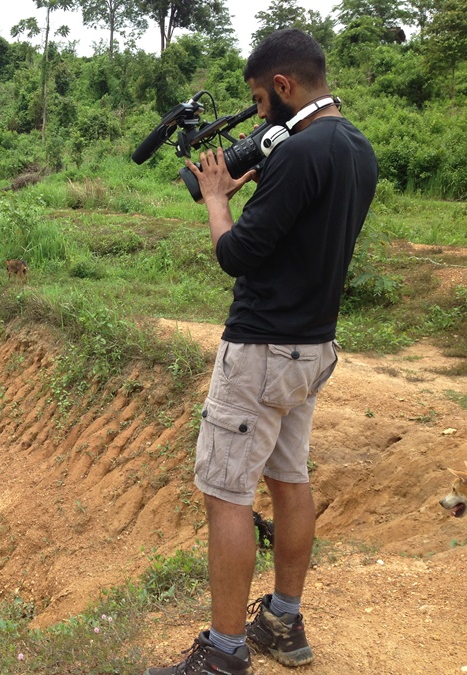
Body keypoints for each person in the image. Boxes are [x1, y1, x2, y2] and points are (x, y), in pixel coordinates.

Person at [144, 29, 378, 675]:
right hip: (312, 346)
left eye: (259, 98)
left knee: (228, 493)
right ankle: (282, 620)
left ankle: (221, 654)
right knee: (290, 478)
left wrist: (218, 199)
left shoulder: (298, 155)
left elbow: (236, 253)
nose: (258, 115)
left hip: (260, 348)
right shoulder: (358, 149)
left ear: (282, 86)